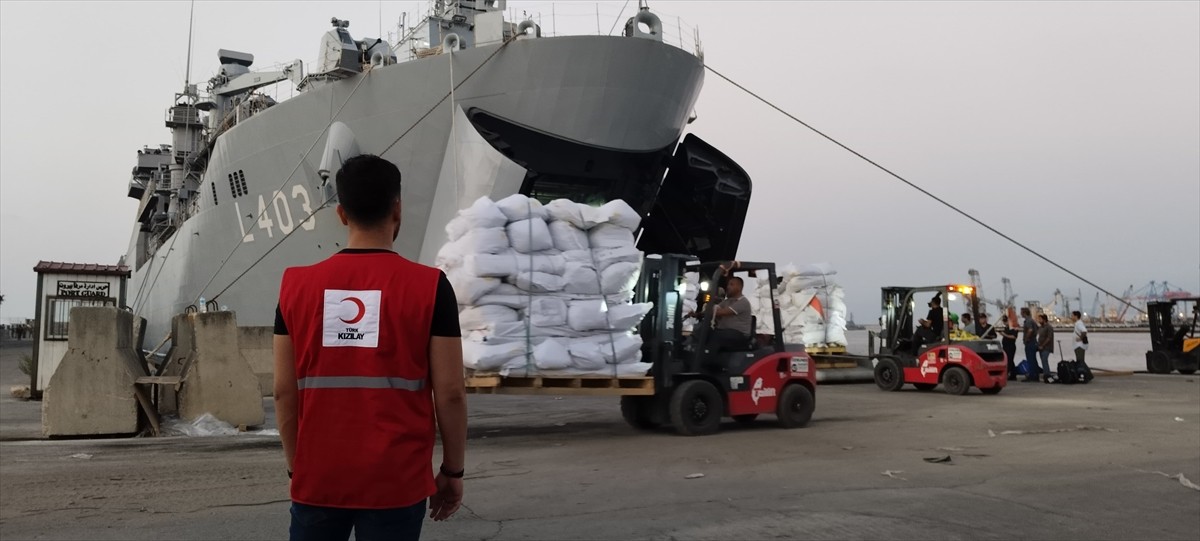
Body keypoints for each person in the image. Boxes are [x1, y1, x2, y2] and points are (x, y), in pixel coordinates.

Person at [273, 155, 467, 541]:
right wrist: (452, 471)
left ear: (341, 214)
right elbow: (451, 393)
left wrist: (299, 467)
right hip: (396, 479)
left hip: (320, 475)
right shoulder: (430, 287)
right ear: (397, 208)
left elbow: (282, 391)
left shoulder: (295, 286)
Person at [706, 276, 753, 351]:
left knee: (716, 336)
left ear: (739, 287)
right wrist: (697, 314)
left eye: (731, 285)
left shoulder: (743, 302)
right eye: (728, 285)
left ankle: (706, 359)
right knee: (705, 331)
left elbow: (721, 312)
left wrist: (712, 310)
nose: (728, 287)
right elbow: (714, 309)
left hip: (739, 334)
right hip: (726, 331)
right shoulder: (728, 301)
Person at [1071, 311, 1094, 382]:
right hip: (1078, 345)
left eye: (1072, 316)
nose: (1071, 317)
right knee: (1080, 361)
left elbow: (1084, 331)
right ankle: (1085, 375)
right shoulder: (1077, 323)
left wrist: (1080, 338)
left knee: (1080, 361)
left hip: (1079, 346)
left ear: (1076, 316)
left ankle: (1085, 375)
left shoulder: (1079, 324)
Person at [1021, 307, 1040, 382]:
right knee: (1033, 359)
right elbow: (1037, 329)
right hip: (1034, 341)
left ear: (1024, 313)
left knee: (1030, 359)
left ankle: (1032, 376)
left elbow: (1030, 330)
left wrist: (1026, 338)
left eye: (1021, 312)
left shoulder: (1028, 321)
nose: (1020, 314)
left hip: (1030, 342)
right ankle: (1036, 375)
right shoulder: (1032, 320)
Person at [999, 315, 1019, 380]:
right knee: (1010, 360)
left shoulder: (1013, 328)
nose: (1004, 322)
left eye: (1005, 321)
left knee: (1009, 360)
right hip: (1006, 346)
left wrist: (1004, 335)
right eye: (1003, 321)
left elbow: (1014, 337)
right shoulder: (1006, 328)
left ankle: (1007, 373)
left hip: (1010, 346)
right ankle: (1013, 374)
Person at [1036, 314, 1055, 383]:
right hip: (1040, 347)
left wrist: (1043, 345)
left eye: (1040, 319)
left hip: (1047, 347)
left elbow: (1049, 338)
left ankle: (1047, 375)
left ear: (1044, 319)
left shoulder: (1049, 327)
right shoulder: (1041, 327)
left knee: (1044, 360)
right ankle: (1045, 374)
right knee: (1043, 361)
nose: (1039, 321)